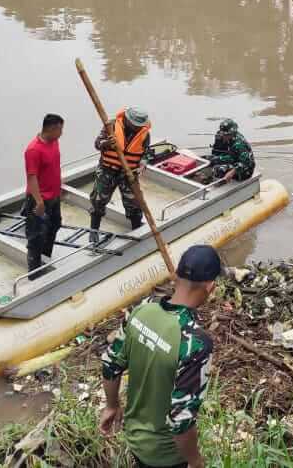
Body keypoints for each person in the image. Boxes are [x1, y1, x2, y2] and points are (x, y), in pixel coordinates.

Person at [99, 245, 221, 468]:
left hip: (133, 437)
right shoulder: (195, 343)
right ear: (210, 286)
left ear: (176, 275)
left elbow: (110, 363)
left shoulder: (142, 310)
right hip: (167, 455)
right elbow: (181, 419)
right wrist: (195, 461)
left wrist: (111, 406)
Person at [90, 107, 152, 236]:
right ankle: (94, 230)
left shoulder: (144, 133)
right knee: (98, 199)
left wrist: (143, 164)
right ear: (128, 120)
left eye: (139, 126)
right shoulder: (110, 126)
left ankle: (136, 228)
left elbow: (146, 154)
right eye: (135, 125)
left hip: (129, 172)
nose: (137, 128)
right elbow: (97, 143)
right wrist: (106, 143)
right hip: (107, 169)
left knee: (134, 202)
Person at [23, 114, 64, 277]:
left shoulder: (54, 142)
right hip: (39, 199)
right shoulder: (33, 150)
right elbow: (31, 177)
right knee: (36, 237)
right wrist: (39, 202)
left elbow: (53, 167)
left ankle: (45, 260)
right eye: (60, 129)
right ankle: (34, 274)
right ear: (52, 129)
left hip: (54, 196)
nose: (62, 133)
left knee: (54, 226)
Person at [207, 119, 255, 183]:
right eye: (223, 134)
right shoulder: (222, 137)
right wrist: (214, 159)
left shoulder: (239, 144)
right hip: (233, 159)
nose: (224, 136)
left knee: (218, 169)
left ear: (232, 133)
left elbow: (246, 163)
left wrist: (231, 173)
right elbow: (217, 152)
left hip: (244, 170)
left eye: (226, 135)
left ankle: (218, 183)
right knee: (210, 159)